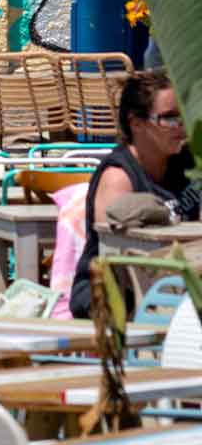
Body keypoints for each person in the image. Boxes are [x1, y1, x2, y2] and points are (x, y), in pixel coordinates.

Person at [69, 69, 200, 317]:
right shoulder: (118, 177)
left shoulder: (189, 165)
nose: (181, 126)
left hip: (177, 285)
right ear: (136, 123)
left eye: (182, 114)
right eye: (169, 118)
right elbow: (118, 255)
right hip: (114, 298)